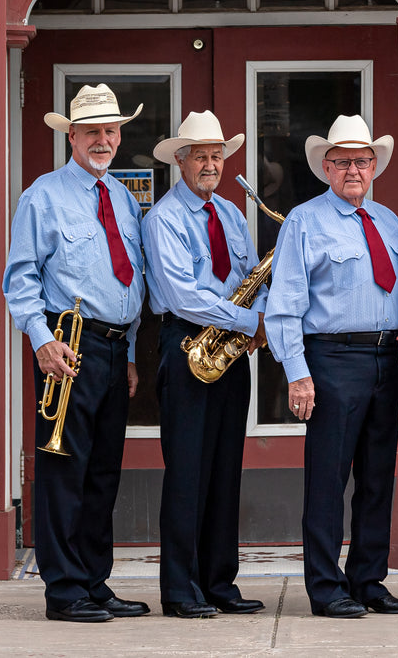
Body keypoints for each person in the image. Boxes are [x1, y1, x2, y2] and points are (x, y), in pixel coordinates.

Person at [3, 83, 151, 622]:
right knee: (65, 469)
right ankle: (64, 590)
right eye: (93, 131)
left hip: (114, 348)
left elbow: (128, 282)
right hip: (68, 343)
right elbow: (19, 279)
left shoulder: (121, 197)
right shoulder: (42, 195)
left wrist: (131, 352)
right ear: (72, 135)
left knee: (103, 471)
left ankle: (94, 581)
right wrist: (41, 340)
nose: (104, 140)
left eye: (111, 131)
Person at [264, 115, 398, 619]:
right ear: (325, 168)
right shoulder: (304, 222)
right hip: (329, 359)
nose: (353, 169)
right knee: (328, 479)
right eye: (343, 162)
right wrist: (297, 371)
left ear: (375, 166)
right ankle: (326, 587)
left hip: (384, 358)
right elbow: (284, 303)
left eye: (362, 160)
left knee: (378, 478)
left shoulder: (391, 222)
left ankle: (369, 580)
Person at [142, 111, 266, 619]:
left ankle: (219, 582)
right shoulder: (162, 219)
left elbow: (249, 275)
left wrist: (259, 313)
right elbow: (180, 295)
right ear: (180, 160)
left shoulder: (233, 215)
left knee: (224, 470)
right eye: (201, 156)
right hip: (188, 344)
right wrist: (246, 319)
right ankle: (180, 588)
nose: (211, 164)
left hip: (229, 352)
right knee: (188, 471)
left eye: (217, 156)